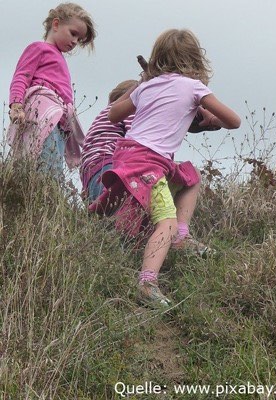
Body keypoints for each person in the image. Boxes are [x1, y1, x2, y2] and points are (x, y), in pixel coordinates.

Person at [90, 29, 241, 306]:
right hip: (149, 161)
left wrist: (140, 84)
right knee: (166, 222)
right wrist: (209, 118)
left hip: (128, 156)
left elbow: (114, 114)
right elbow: (234, 121)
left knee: (189, 176)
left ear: (157, 57)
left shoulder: (147, 86)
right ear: (196, 60)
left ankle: (180, 238)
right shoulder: (195, 87)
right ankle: (148, 282)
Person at [7, 2, 96, 179]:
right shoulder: (39, 48)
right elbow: (21, 76)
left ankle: (44, 200)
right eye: (73, 34)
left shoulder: (59, 58)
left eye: (79, 40)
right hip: (43, 115)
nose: (74, 42)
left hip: (59, 123)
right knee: (44, 166)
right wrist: (16, 105)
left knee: (54, 167)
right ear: (56, 24)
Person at [80, 80, 137, 203]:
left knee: (109, 216)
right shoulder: (128, 109)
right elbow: (139, 139)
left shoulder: (103, 116)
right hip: (110, 167)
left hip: (92, 177)